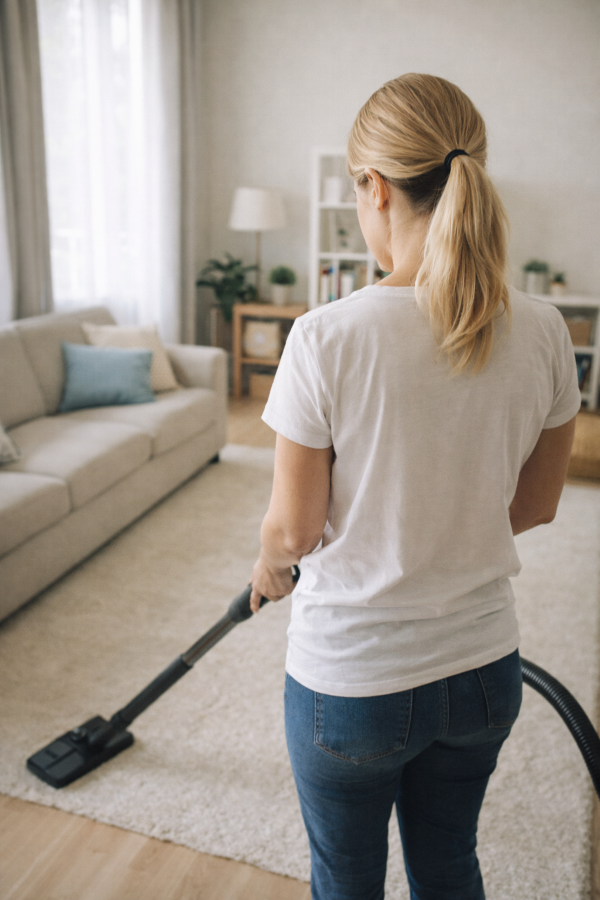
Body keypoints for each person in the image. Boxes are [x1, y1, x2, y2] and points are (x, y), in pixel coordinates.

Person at [249, 73, 580, 900]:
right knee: (449, 863)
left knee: (348, 878)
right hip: (481, 675)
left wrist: (267, 565)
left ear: (375, 187)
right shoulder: (544, 329)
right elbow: (535, 505)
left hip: (352, 685)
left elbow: (294, 531)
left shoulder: (326, 336)